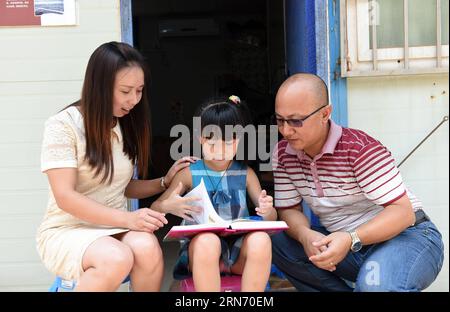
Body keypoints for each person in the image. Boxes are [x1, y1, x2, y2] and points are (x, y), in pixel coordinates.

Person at [37, 41, 198, 292]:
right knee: (117, 257)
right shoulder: (63, 126)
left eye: (139, 90)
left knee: (147, 248)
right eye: (125, 91)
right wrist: (128, 218)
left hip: (113, 228)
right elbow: (65, 196)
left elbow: (122, 186)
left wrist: (164, 181)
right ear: (100, 86)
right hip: (68, 229)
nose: (134, 99)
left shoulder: (124, 124)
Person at [271, 73, 444, 292]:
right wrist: (305, 235)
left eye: (296, 121)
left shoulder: (360, 149)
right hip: (347, 246)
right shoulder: (283, 153)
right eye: (279, 120)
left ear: (325, 114)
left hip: (407, 237)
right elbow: (289, 211)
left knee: (375, 287)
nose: (286, 131)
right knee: (275, 240)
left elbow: (403, 213)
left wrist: (351, 238)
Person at [151, 95, 277, 291]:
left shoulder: (246, 174)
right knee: (207, 240)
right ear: (200, 138)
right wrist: (168, 206)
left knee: (261, 239)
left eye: (228, 143)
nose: (220, 151)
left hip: (238, 256)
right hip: (203, 255)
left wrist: (267, 210)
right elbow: (154, 208)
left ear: (239, 139)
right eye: (212, 143)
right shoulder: (189, 173)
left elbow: (271, 218)